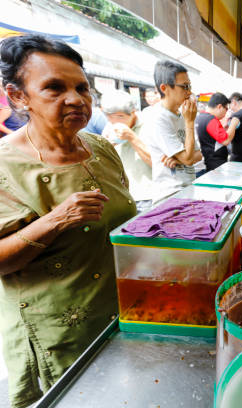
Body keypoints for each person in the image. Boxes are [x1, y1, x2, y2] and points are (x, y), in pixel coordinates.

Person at [0, 35, 136, 408]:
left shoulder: (103, 149)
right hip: (57, 328)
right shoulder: (4, 165)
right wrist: (55, 220)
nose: (76, 99)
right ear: (18, 96)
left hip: (118, 311)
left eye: (82, 88)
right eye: (54, 88)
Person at [142, 60, 201, 203]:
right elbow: (188, 158)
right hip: (169, 196)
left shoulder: (182, 114)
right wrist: (190, 122)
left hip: (186, 190)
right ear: (164, 88)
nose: (189, 92)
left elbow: (198, 155)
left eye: (190, 86)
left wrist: (179, 157)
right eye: (184, 87)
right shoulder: (158, 117)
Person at [100, 90, 155, 212]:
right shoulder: (109, 127)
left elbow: (156, 163)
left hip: (148, 196)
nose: (115, 122)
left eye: (121, 116)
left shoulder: (149, 124)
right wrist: (108, 147)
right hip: (123, 195)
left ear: (133, 113)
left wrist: (131, 137)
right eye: (110, 117)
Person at [195, 92, 230, 172]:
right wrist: (233, 125)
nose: (226, 112)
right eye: (226, 109)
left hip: (207, 161)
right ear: (219, 106)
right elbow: (226, 140)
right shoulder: (211, 119)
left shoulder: (200, 117)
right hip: (215, 165)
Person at [226, 92, 242, 162]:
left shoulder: (236, 116)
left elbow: (227, 138)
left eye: (229, 105)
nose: (230, 108)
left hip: (238, 158)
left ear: (233, 102)